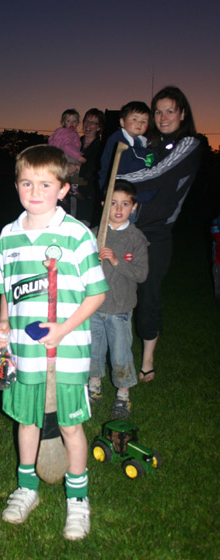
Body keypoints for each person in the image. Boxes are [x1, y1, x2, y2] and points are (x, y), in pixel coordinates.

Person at [0, 145, 108, 540]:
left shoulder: (76, 235)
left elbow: (96, 294)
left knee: (70, 426)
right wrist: (4, 329)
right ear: (16, 186)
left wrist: (62, 330)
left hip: (69, 353)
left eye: (45, 184)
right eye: (27, 183)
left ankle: (78, 501)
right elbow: (6, 290)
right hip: (25, 352)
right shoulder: (7, 237)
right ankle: (27, 489)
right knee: (27, 421)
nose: (35, 191)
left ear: (62, 189)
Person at [117, 86, 202, 381]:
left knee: (148, 295)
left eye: (170, 111)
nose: (163, 117)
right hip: (129, 227)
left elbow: (158, 174)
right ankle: (117, 352)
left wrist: (115, 179)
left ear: (182, 113)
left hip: (157, 233)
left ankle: (148, 358)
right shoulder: (148, 143)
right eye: (158, 111)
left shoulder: (190, 143)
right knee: (118, 291)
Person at [89, 180, 149, 418]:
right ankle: (93, 388)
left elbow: (142, 274)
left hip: (120, 309)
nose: (118, 209)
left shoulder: (136, 238)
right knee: (93, 349)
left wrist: (116, 261)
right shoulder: (95, 234)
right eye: (113, 203)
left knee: (120, 353)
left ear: (133, 207)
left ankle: (123, 396)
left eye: (125, 204)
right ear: (104, 205)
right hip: (93, 307)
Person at [98, 101, 155, 191]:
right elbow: (124, 166)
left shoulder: (144, 144)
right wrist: (146, 164)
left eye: (144, 121)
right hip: (117, 189)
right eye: (134, 119)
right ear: (122, 122)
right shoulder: (118, 140)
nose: (139, 123)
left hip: (132, 188)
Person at [72, 108, 105, 227]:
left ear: (99, 127)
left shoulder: (102, 147)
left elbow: (97, 171)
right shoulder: (73, 143)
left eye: (93, 122)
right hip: (68, 195)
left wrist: (79, 169)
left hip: (87, 197)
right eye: (86, 121)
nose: (88, 125)